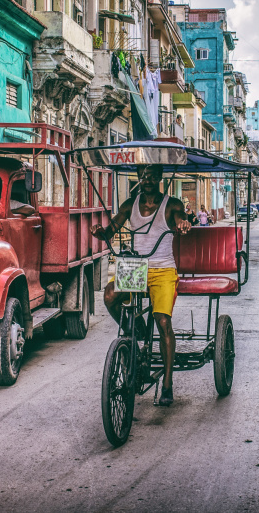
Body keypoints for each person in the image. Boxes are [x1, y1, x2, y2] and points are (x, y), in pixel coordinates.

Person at [91, 165, 193, 407]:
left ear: (160, 178)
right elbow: (111, 230)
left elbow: (181, 219)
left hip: (163, 269)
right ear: (139, 178)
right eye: (143, 175)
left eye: (152, 175)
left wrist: (184, 224)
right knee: (110, 296)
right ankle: (134, 329)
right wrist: (100, 233)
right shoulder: (130, 204)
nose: (147, 179)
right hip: (136, 267)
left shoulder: (172, 203)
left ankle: (167, 384)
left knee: (163, 321)